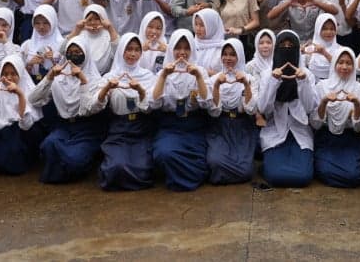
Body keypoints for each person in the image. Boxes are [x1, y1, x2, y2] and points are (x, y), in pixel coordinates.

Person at [32, 36, 107, 184]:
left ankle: (75, 166)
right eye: (70, 52)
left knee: (74, 159)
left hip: (87, 128)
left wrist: (83, 81)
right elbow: (34, 99)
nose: (74, 55)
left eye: (78, 51)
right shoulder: (59, 79)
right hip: (64, 126)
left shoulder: (97, 81)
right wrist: (49, 77)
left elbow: (88, 110)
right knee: (48, 145)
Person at [149, 30, 210, 191]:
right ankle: (182, 179)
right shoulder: (163, 71)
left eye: (186, 48)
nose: (182, 53)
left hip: (194, 125)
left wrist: (198, 77)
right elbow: (154, 103)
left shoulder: (200, 71)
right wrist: (163, 76)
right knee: (164, 153)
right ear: (171, 50)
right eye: (178, 48)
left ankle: (189, 175)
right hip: (171, 125)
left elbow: (206, 103)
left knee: (201, 158)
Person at [256, 31, 317, 188]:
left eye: (291, 46)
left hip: (300, 132)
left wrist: (302, 82)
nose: (287, 49)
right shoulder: (266, 74)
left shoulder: (307, 74)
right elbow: (263, 108)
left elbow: (310, 107)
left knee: (303, 177)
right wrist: (273, 81)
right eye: (283, 46)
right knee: (275, 176)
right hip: (275, 131)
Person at [95, 34, 157, 191]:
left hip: (140, 127)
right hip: (119, 129)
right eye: (128, 49)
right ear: (121, 51)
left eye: (137, 50)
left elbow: (149, 107)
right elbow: (97, 103)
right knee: (117, 167)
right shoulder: (110, 76)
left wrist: (141, 91)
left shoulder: (148, 76)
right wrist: (107, 89)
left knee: (142, 169)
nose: (133, 54)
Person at [0, 55, 39, 175]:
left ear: (20, 74)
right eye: (5, 73)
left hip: (17, 133)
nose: (9, 78)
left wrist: (19, 94)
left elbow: (26, 125)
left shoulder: (28, 91)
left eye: (13, 73)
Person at [311, 48, 360, 187]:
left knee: (354, 176)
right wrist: (324, 102)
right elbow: (315, 124)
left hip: (350, 139)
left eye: (349, 63)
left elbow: (359, 127)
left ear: (353, 66)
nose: (344, 67)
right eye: (340, 62)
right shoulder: (322, 86)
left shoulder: (359, 88)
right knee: (326, 171)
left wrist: (357, 104)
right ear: (334, 64)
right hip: (326, 138)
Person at [205, 38, 256, 185]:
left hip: (242, 127)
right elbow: (213, 111)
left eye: (233, 54)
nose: (228, 58)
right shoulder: (213, 79)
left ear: (239, 56)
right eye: (225, 54)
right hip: (220, 126)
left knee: (245, 170)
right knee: (215, 162)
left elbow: (251, 109)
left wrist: (245, 84)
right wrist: (216, 86)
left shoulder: (250, 79)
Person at [191, 8, 227, 76]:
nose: (198, 28)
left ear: (212, 26)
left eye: (202, 25)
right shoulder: (191, 44)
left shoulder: (223, 49)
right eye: (196, 24)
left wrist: (200, 71)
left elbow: (227, 75)